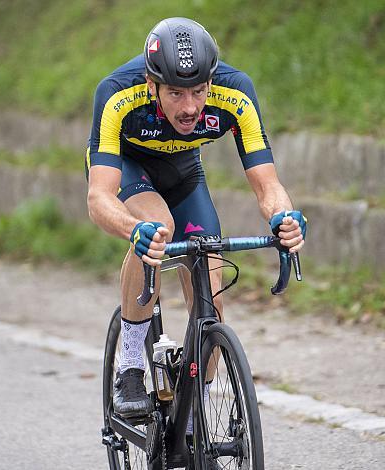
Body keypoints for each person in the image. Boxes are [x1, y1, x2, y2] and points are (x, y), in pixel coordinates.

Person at [85, 17, 307, 420]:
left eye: (199, 92)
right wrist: (135, 229)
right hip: (131, 167)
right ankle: (131, 365)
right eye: (175, 93)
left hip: (184, 171)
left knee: (212, 288)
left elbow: (267, 184)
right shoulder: (117, 94)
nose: (190, 107)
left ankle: (194, 414)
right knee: (159, 229)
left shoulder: (236, 92)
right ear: (152, 85)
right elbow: (99, 196)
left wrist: (285, 217)